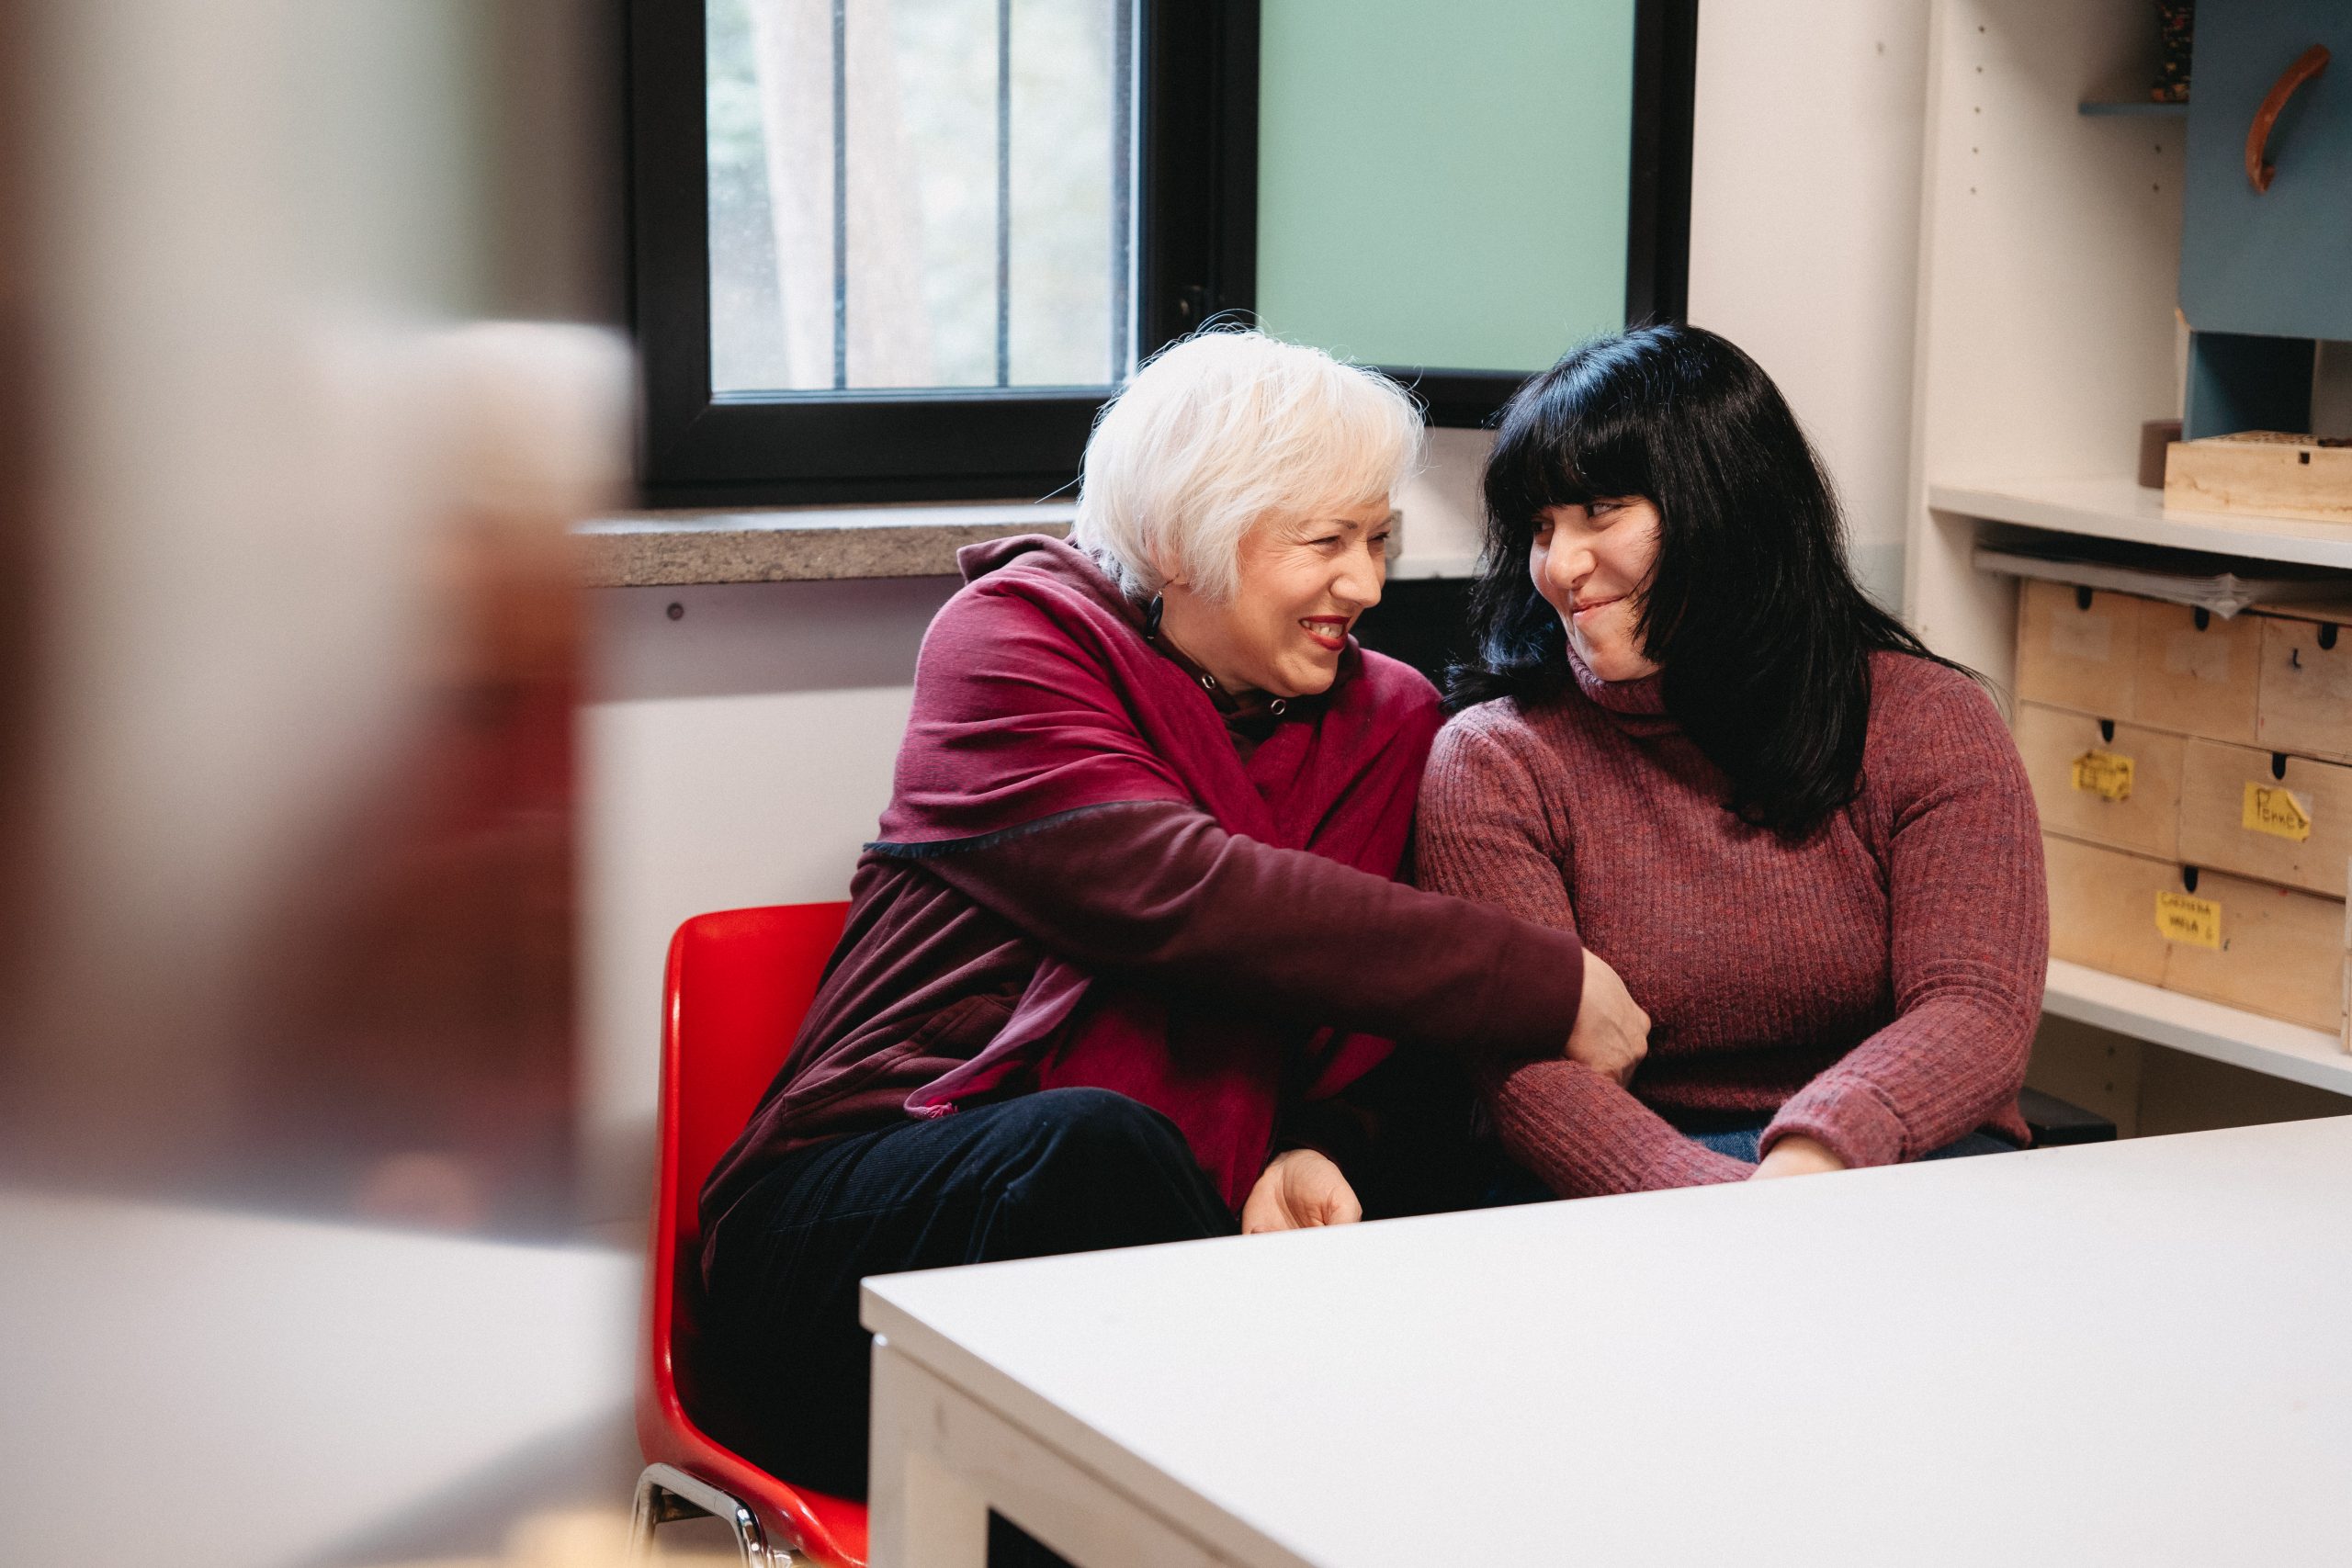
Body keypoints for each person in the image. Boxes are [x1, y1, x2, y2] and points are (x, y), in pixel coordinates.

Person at [697, 328, 1649, 1501]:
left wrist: (1315, 1144)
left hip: (1171, 1258)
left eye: (1377, 541)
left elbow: (1375, 1035)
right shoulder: (1011, 640)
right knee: (1088, 1149)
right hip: (858, 1250)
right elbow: (1183, 895)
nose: (1365, 585)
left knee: (1459, 1159)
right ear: (1175, 539)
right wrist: (1546, 983)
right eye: (1325, 542)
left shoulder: (1387, 717)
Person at [1418, 323, 2047, 1199]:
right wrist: (1720, 1206)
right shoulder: (1494, 757)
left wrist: (1814, 1153)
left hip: (1894, 1154)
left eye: (1601, 512)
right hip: (1634, 1184)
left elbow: (1975, 1009)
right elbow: (1527, 1075)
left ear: (1722, 502)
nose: (1560, 566)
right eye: (1541, 526)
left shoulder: (1927, 718)